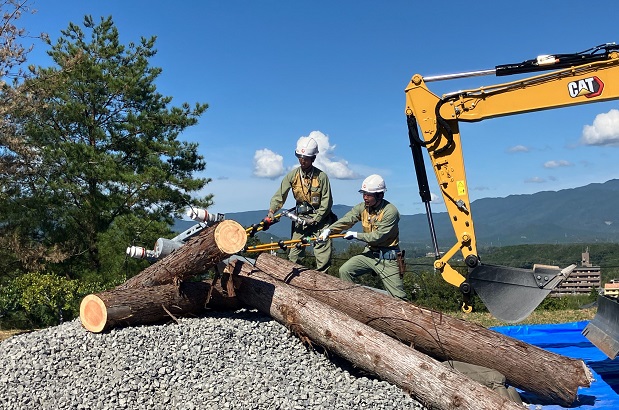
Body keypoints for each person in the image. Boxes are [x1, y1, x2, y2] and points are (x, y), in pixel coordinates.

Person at [318, 174, 407, 300]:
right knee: (345, 271)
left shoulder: (390, 211)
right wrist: (329, 230)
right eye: (363, 194)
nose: (365, 198)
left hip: (388, 257)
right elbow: (348, 219)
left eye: (369, 195)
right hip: (370, 253)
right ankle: (352, 302)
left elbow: (378, 236)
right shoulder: (363, 207)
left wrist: (356, 235)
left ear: (380, 195)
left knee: (399, 298)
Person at [267, 137, 334, 272]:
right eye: (300, 157)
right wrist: (271, 212)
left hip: (320, 222)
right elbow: (280, 195)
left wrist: (317, 218)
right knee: (294, 255)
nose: (302, 160)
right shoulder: (292, 176)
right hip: (301, 221)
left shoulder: (321, 177)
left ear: (313, 158)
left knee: (322, 258)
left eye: (306, 158)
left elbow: (327, 201)